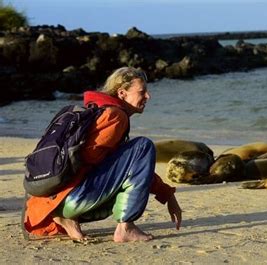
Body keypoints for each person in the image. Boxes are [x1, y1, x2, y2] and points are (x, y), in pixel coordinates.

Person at [23, 67, 182, 243]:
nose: (148, 97)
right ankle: (126, 228)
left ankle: (66, 218)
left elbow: (122, 167)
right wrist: (166, 194)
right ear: (122, 93)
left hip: (55, 201)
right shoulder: (115, 116)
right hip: (74, 199)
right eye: (142, 92)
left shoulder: (95, 109)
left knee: (134, 156)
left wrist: (167, 194)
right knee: (143, 146)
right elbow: (93, 160)